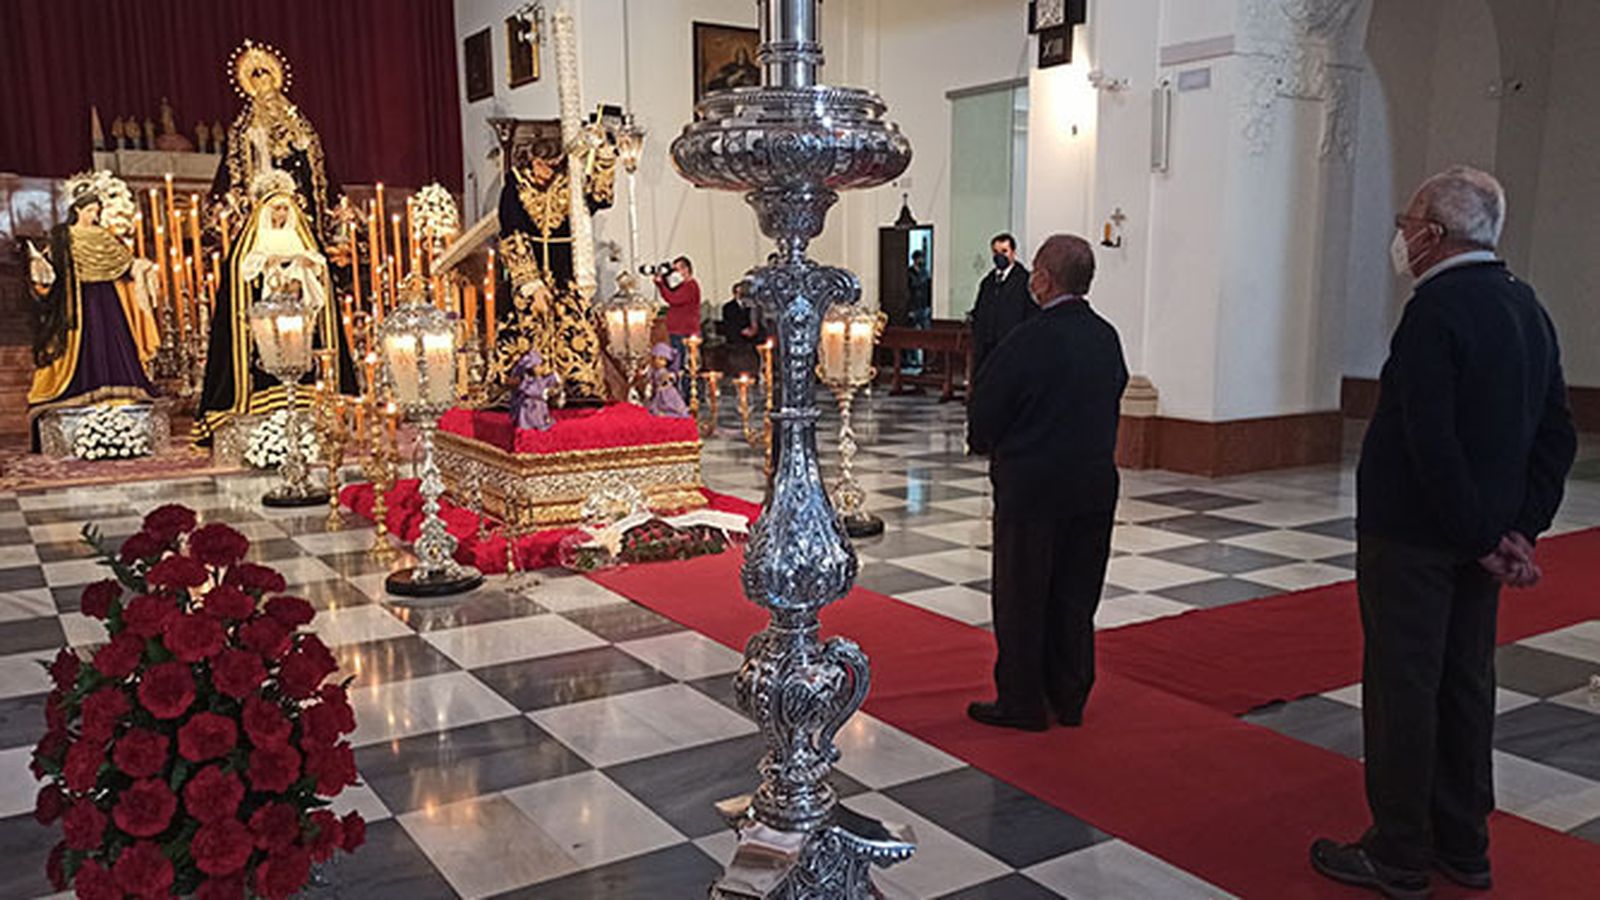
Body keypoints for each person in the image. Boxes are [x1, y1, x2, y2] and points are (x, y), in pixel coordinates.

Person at [1310, 166, 1576, 899]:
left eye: (1405, 224)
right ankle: (1463, 842)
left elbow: (1430, 441)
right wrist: (1519, 528)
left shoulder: (1435, 310)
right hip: (1478, 540)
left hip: (1417, 539)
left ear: (1432, 234)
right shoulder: (1527, 305)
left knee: (1404, 689)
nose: (1400, 237)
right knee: (1465, 683)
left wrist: (1483, 534)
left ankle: (1397, 850)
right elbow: (1557, 430)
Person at [966, 234, 1127, 731]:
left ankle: (1022, 702)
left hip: (1032, 489)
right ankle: (1070, 695)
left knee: (1023, 595)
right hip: (1093, 486)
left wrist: (988, 443)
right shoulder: (1106, 337)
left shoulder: (1028, 340)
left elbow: (986, 411)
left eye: (1035, 268)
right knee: (1076, 595)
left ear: (1044, 278)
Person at [195, 172, 352, 444]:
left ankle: (309, 396)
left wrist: (299, 264)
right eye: (276, 208)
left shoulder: (300, 235)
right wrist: (271, 266)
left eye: (284, 208)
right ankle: (264, 398)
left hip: (299, 310)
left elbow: (318, 265)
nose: (280, 213)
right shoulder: (253, 239)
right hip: (267, 311)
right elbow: (242, 271)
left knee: (298, 352)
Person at [27, 185, 161, 449]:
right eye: (90, 210)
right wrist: (41, 268)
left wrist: (141, 268)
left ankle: (119, 388)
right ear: (77, 210)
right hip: (78, 300)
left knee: (114, 342)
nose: (94, 216)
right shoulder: (63, 236)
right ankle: (79, 387)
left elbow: (123, 263)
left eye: (96, 211)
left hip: (108, 299)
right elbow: (50, 265)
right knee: (81, 344)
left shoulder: (104, 236)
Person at [970, 233, 1032, 376]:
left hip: (1013, 346)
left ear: (1013, 253)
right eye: (996, 252)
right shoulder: (988, 282)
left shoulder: (1025, 281)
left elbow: (1031, 314)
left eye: (1004, 251)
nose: (1000, 256)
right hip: (987, 347)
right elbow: (979, 311)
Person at [655, 256, 702, 394]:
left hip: (685, 331)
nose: (674, 272)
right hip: (677, 330)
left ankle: (687, 396)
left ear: (686, 270)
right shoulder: (681, 286)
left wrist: (661, 285)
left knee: (684, 366)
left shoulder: (691, 286)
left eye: (677, 269)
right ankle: (678, 394)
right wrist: (661, 281)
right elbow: (671, 291)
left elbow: (673, 299)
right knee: (675, 364)